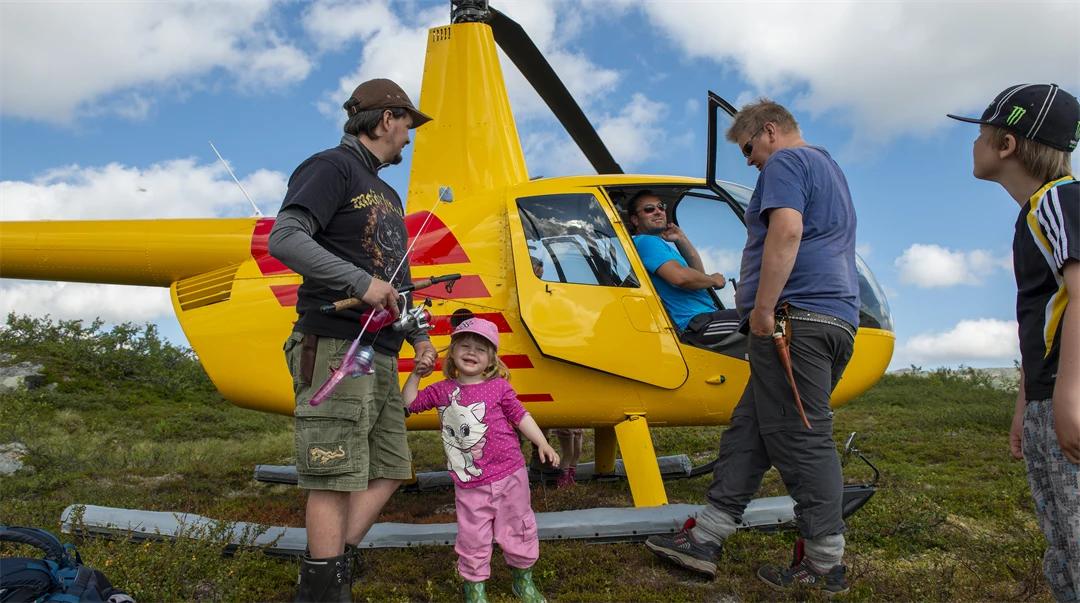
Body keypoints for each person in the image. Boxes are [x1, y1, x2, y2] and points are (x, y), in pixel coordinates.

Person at [644, 98, 860, 595]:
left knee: (802, 436)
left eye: (748, 149)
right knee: (751, 428)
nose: (748, 161)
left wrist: (763, 310)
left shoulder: (786, 161)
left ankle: (824, 562)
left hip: (793, 322)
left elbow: (787, 230)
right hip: (829, 319)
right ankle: (706, 537)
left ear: (770, 131)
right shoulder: (829, 167)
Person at [268, 78, 437, 603]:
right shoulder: (331, 166)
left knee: (391, 468)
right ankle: (323, 590)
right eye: (408, 123)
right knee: (333, 472)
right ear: (387, 119)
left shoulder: (388, 193)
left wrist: (419, 338)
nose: (409, 135)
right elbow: (285, 237)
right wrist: (359, 283)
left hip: (382, 351)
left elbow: (396, 280)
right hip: (337, 345)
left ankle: (329, 568)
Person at [948, 83, 1080, 602]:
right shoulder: (1034, 213)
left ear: (1006, 144)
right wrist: (1027, 403)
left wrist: (1069, 397)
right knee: (1062, 545)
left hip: (1068, 399)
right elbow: (1045, 318)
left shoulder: (1059, 200)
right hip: (1048, 400)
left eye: (980, 133)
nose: (973, 143)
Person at [403, 318, 557, 603]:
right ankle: (475, 589)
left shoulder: (499, 387)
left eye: (480, 349)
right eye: (465, 346)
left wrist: (542, 442)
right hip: (470, 481)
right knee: (472, 536)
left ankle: (523, 581)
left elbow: (521, 416)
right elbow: (409, 403)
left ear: (491, 360)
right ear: (452, 353)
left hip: (510, 474)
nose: (472, 352)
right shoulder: (441, 390)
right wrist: (416, 374)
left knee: (519, 527)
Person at [627, 190, 740, 346]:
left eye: (660, 207)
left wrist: (681, 238)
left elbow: (698, 277)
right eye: (649, 209)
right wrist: (713, 280)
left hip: (703, 320)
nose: (658, 211)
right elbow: (681, 278)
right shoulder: (647, 242)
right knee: (763, 318)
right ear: (635, 220)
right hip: (695, 325)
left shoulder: (658, 246)